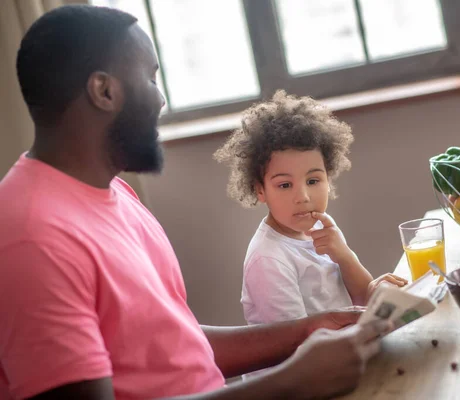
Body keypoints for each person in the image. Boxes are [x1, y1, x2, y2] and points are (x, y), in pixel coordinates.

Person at [0, 5, 393, 400]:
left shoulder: (116, 194)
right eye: (151, 78)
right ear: (104, 91)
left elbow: (176, 342)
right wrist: (291, 382)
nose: (161, 99)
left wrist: (312, 328)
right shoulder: (31, 239)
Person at [214, 91, 407, 328]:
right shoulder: (268, 259)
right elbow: (295, 344)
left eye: (313, 181)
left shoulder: (322, 226)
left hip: (347, 345)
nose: (303, 197)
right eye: (285, 185)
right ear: (260, 190)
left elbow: (363, 299)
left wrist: (345, 257)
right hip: (314, 360)